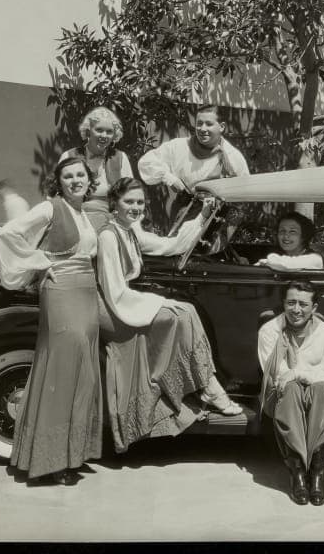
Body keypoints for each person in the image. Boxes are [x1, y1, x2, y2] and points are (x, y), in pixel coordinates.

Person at [96, 177, 242, 454]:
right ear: (114, 203)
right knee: (177, 315)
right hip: (110, 306)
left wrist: (203, 216)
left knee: (187, 309)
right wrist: (159, 302)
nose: (136, 207)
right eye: (130, 202)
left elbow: (169, 246)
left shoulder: (128, 231)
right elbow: (114, 290)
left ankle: (207, 384)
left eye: (140, 202)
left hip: (126, 299)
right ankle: (209, 387)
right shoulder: (108, 236)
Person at [0, 157, 104, 485]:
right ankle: (51, 461)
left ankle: (72, 453)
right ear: (59, 181)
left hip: (86, 293)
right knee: (63, 369)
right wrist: (41, 261)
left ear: (89, 179)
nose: (75, 181)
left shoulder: (84, 212)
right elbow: (10, 234)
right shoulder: (49, 208)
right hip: (61, 291)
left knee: (83, 373)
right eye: (68, 176)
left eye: (80, 175)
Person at [258, 281, 324, 506]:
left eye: (303, 304)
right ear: (284, 304)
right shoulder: (270, 331)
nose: (296, 309)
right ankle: (297, 475)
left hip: (320, 396)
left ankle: (317, 474)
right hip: (281, 397)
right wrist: (319, 370)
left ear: (314, 308)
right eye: (291, 302)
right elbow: (278, 378)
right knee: (294, 389)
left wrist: (300, 373)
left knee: (319, 390)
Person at [137, 104, 250, 242]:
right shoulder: (179, 147)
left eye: (209, 124)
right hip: (183, 214)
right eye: (199, 123)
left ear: (221, 127)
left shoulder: (232, 157)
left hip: (215, 219)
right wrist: (169, 178)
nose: (203, 129)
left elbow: (245, 192)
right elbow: (146, 162)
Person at [59, 106, 134, 229]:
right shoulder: (69, 156)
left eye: (109, 131)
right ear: (88, 131)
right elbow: (58, 194)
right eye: (99, 130)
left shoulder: (120, 158)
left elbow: (130, 194)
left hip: (112, 220)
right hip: (77, 218)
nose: (104, 135)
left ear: (114, 135)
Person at [254, 211, 324, 271]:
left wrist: (267, 261)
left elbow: (286, 265)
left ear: (304, 236)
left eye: (292, 231)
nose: (286, 236)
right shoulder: (276, 258)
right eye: (282, 231)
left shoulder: (315, 258)